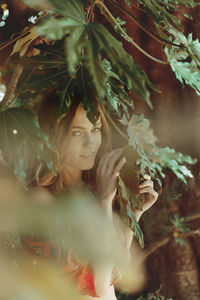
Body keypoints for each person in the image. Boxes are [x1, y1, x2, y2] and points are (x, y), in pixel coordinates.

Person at [21, 96, 158, 300]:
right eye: (76, 132)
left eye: (95, 130)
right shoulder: (41, 200)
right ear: (54, 137)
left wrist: (134, 211)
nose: (90, 142)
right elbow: (100, 285)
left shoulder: (91, 190)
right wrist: (103, 202)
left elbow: (117, 266)